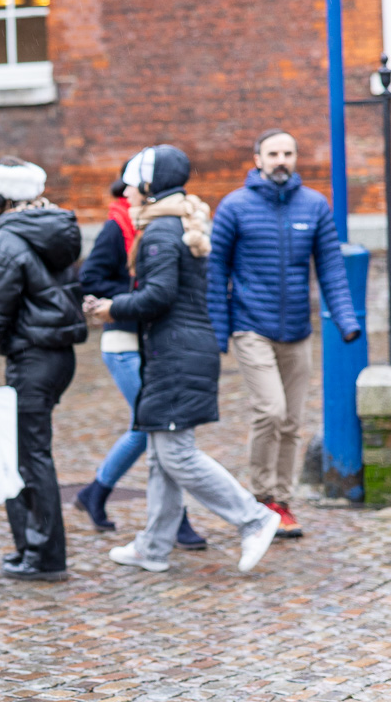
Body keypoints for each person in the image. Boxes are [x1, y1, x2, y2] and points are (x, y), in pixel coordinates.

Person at [84, 145, 280, 574]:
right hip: (179, 350)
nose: (128, 191)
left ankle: (256, 517)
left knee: (176, 454)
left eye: (134, 184)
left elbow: (159, 296)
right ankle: (153, 547)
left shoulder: (159, 232)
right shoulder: (175, 225)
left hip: (177, 353)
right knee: (160, 452)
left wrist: (111, 308)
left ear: (151, 186)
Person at [208, 129, 361, 538]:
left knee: (292, 421)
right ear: (257, 158)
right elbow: (215, 272)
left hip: (297, 329)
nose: (281, 160)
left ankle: (281, 501)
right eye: (273, 153)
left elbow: (330, 267)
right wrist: (218, 333)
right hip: (250, 326)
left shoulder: (314, 205)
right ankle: (260, 499)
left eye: (288, 153)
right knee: (270, 411)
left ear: (296, 158)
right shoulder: (234, 206)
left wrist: (346, 321)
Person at [0, 157, 87, 582]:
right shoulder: (52, 229)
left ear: (0, 198)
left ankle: (44, 555)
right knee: (32, 454)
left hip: (33, 357)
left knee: (30, 458)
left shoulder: (8, 239)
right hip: (55, 355)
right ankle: (36, 548)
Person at [75, 173, 206, 549]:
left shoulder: (158, 225)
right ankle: (175, 522)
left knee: (150, 426)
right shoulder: (117, 227)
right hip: (123, 342)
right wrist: (139, 295)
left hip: (151, 342)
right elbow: (91, 279)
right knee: (156, 426)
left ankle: (96, 492)